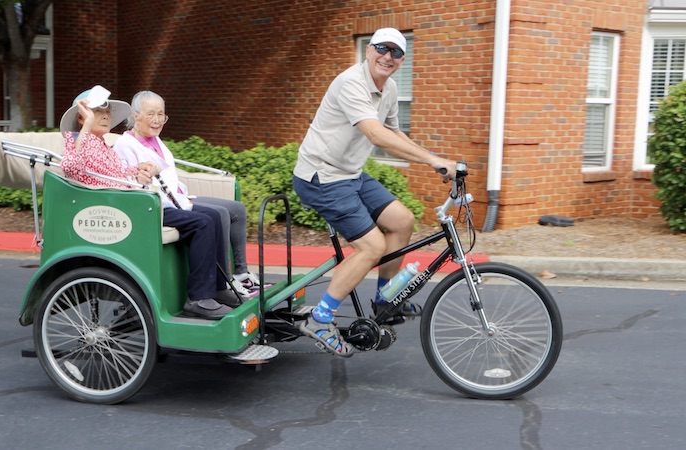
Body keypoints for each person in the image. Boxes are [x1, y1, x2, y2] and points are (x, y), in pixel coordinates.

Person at [292, 28, 458, 357]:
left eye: (396, 52)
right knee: (372, 246)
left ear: (402, 60)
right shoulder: (351, 82)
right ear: (368, 51)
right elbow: (375, 134)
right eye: (382, 48)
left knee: (402, 220)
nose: (388, 56)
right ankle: (320, 318)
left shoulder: (390, 87)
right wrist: (434, 159)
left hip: (350, 173)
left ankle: (385, 298)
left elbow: (393, 130)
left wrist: (432, 162)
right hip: (321, 176)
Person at [59, 85, 239, 320]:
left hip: (134, 200)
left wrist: (137, 171)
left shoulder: (103, 144)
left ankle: (216, 288)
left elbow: (116, 174)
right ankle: (198, 298)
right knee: (202, 223)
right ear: (82, 116)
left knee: (213, 217)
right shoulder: (77, 141)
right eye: (96, 112)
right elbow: (71, 166)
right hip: (127, 207)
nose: (104, 116)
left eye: (106, 111)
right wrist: (86, 126)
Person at [113, 90, 267, 297]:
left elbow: (169, 175)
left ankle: (234, 278)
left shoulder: (156, 141)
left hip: (177, 198)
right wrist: (141, 178)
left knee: (229, 211)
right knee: (214, 216)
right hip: (155, 204)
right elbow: (125, 179)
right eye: (151, 114)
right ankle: (218, 286)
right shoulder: (125, 144)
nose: (157, 120)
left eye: (161, 114)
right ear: (135, 115)